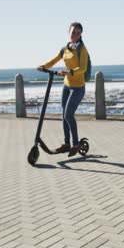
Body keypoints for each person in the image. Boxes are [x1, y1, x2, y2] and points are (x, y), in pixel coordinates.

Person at [37, 22, 89, 157]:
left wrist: (67, 72)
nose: (75, 35)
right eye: (73, 32)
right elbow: (55, 60)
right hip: (67, 86)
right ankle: (67, 144)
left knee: (68, 115)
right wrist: (44, 66)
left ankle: (75, 143)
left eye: (78, 33)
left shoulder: (82, 50)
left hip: (78, 88)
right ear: (69, 33)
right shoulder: (65, 49)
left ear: (80, 35)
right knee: (64, 115)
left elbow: (82, 68)